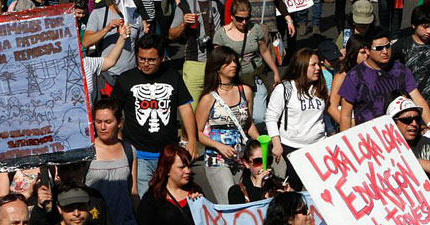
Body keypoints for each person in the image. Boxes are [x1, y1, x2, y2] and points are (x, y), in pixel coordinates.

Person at [112, 35, 197, 197]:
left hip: (167, 155)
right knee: (144, 199)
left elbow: (185, 108)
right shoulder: (126, 79)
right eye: (141, 59)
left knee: (170, 199)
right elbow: (114, 113)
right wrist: (118, 141)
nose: (145, 63)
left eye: (151, 60)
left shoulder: (173, 76)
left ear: (162, 58)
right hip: (138, 155)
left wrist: (192, 140)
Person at [338, 27, 430, 130]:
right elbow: (346, 115)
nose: (385, 51)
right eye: (379, 48)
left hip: (399, 135)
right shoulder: (354, 76)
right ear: (367, 50)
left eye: (388, 46)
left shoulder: (400, 70)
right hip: (369, 136)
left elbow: (418, 99)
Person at [195, 46, 258, 203]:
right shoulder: (209, 98)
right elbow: (196, 132)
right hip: (217, 159)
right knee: (229, 202)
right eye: (228, 63)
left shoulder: (245, 91)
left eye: (235, 62)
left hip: (241, 157)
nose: (234, 65)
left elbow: (248, 123)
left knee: (246, 201)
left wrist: (261, 141)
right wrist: (218, 146)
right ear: (217, 67)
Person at [86, 99, 140, 225]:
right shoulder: (86, 151)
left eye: (108, 122)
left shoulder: (129, 150)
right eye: (98, 122)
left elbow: (133, 191)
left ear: (119, 123)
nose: (102, 127)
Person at [265, 49, 329, 190]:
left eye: (319, 64)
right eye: (313, 65)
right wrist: (276, 144)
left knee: (318, 190)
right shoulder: (284, 89)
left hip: (318, 147)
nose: (318, 68)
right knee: (294, 190)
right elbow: (271, 118)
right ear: (301, 66)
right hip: (291, 149)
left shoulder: (319, 88)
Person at [212, 0, 281, 99]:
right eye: (239, 19)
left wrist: (276, 72)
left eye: (247, 18)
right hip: (233, 80)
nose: (244, 22)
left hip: (255, 76)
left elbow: (264, 51)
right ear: (232, 16)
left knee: (259, 115)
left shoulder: (255, 29)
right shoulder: (221, 34)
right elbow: (216, 61)